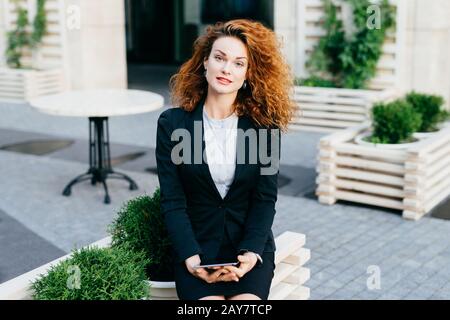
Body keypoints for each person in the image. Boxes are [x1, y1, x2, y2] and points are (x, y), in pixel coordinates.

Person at [155, 19, 296, 300]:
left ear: (248, 74)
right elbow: (173, 200)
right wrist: (191, 257)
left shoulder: (264, 129)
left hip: (249, 249)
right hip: (196, 250)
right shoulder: (174, 124)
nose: (226, 69)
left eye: (238, 63)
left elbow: (264, 198)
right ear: (205, 62)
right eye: (219, 58)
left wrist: (250, 252)